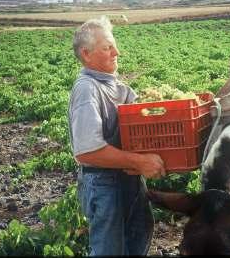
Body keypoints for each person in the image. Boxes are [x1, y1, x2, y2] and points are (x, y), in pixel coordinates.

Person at [68, 16, 166, 256]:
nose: (116, 52)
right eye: (107, 48)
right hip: (104, 184)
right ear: (86, 54)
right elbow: (87, 150)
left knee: (136, 243)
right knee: (109, 251)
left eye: (114, 45)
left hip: (129, 181)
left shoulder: (117, 87)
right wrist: (140, 162)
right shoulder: (87, 89)